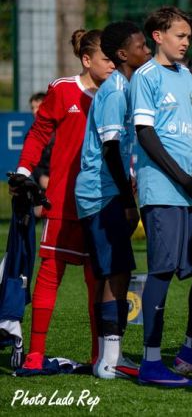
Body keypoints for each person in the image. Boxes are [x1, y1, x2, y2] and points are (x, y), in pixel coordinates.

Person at [131, 6, 192, 387]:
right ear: (158, 36)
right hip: (163, 188)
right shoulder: (145, 76)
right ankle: (151, 361)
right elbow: (145, 134)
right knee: (163, 269)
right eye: (180, 35)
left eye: (188, 36)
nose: (186, 42)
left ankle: (191, 349)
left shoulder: (187, 75)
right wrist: (183, 178)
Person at [14, 29, 115, 371]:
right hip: (62, 200)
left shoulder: (119, 92)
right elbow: (39, 132)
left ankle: (100, 356)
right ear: (86, 60)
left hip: (103, 201)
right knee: (50, 272)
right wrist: (24, 171)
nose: (113, 65)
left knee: (97, 279)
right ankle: (35, 354)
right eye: (106, 59)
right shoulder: (63, 89)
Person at [75, 21, 151, 379]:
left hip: (106, 191)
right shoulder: (116, 91)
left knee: (115, 272)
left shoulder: (124, 87)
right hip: (101, 193)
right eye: (141, 46)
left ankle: (109, 356)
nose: (147, 51)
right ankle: (109, 359)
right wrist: (126, 199)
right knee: (115, 273)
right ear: (123, 54)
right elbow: (108, 149)